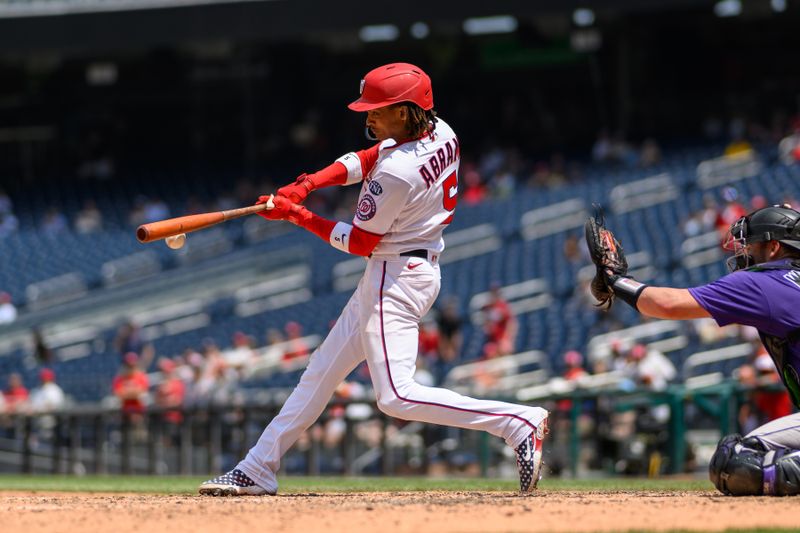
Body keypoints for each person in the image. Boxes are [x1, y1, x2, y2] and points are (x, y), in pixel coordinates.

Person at [199, 62, 548, 497]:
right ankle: (257, 467)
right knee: (320, 373)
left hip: (395, 275)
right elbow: (369, 156)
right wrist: (307, 184)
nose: (368, 116)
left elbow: (361, 242)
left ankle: (518, 423)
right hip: (408, 267)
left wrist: (298, 216)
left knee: (395, 396)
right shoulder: (441, 130)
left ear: (404, 111)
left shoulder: (398, 171)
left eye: (377, 109)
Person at [587, 204, 800, 496]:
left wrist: (615, 279)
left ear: (774, 247)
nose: (745, 252)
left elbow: (665, 304)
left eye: (752, 245)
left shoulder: (765, 281)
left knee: (735, 461)